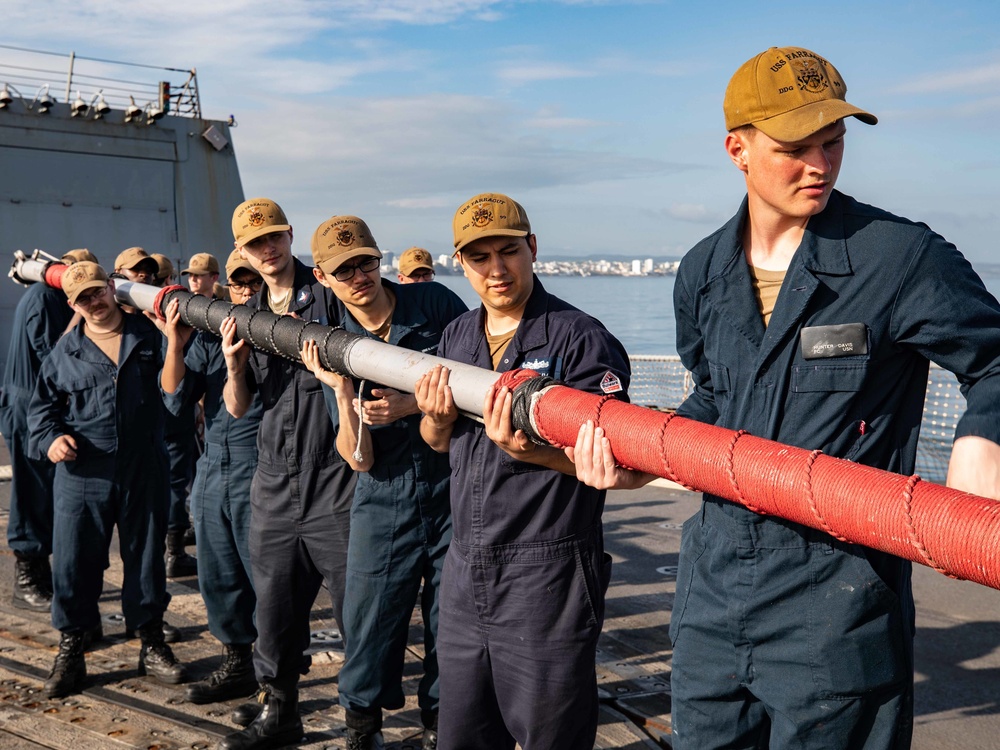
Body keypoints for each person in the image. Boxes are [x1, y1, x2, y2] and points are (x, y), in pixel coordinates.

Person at [569, 46, 1000, 750]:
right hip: (711, 606)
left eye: (834, 143)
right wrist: (642, 458)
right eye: (795, 147)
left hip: (839, 613)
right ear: (737, 148)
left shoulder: (899, 257)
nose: (821, 165)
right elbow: (714, 397)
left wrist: (981, 441)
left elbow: (995, 361)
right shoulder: (703, 272)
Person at [414, 192, 631, 750]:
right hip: (464, 567)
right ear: (459, 264)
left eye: (507, 251)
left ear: (531, 249)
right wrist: (435, 418)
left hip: (548, 570)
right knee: (460, 733)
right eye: (479, 257)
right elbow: (436, 442)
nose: (496, 269)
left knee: (549, 734)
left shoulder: (580, 339)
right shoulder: (458, 337)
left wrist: (533, 453)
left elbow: (613, 459)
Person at [301, 216, 466, 749]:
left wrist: (409, 403)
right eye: (342, 269)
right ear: (323, 278)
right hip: (383, 494)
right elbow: (359, 460)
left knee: (452, 616)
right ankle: (362, 728)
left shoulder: (436, 306)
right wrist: (343, 394)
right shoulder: (334, 341)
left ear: (380, 260)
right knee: (370, 616)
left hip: (450, 487)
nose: (358, 276)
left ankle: (443, 721)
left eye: (365, 262)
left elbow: (476, 384)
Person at [219, 198, 356, 750]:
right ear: (243, 252)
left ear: (290, 235)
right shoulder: (248, 311)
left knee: (356, 612)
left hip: (335, 479)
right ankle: (281, 712)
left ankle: (360, 724)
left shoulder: (329, 296)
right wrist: (232, 364)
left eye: (275, 237)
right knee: (273, 609)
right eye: (256, 244)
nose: (268, 249)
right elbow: (236, 407)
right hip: (273, 481)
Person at [27, 262, 188, 699]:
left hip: (143, 468)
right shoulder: (65, 353)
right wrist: (52, 439)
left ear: (111, 289)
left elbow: (176, 393)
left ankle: (151, 640)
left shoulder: (149, 338)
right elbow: (41, 413)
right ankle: (73, 646)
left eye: (98, 292)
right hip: (83, 473)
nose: (94, 303)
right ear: (72, 304)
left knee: (146, 558)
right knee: (74, 563)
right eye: (83, 299)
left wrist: (173, 341)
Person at [162, 250, 264, 705]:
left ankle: (275, 680)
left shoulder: (282, 332)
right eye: (239, 280)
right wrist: (174, 344)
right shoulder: (211, 332)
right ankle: (238, 661)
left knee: (266, 577)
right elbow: (174, 399)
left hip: (260, 464)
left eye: (254, 280)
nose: (246, 288)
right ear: (229, 282)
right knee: (218, 573)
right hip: (214, 464)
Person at [0, 250, 92, 612]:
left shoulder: (49, 298)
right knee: (30, 491)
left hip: (34, 407)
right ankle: (26, 579)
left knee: (42, 491)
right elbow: (53, 355)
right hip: (26, 410)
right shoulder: (43, 298)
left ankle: (40, 571)